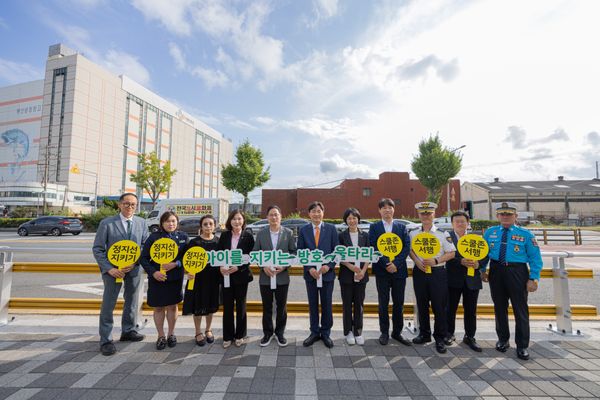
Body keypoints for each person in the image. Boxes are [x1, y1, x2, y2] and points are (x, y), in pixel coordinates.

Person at [481, 202, 542, 360]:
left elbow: (535, 258)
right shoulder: (490, 232)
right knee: (499, 307)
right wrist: (482, 270)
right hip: (496, 271)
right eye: (502, 214)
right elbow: (484, 254)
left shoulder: (526, 234)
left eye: (509, 214)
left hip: (517, 272)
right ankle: (503, 340)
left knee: (520, 309)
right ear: (497, 216)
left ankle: (522, 346)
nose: (505, 217)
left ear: (516, 216)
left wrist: (533, 278)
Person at [92, 193, 149, 356]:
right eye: (126, 203)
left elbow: (145, 245)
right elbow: (98, 248)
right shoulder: (107, 223)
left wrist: (135, 261)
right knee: (108, 304)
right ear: (119, 205)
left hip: (134, 269)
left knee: (132, 301)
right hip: (113, 271)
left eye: (133, 204)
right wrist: (109, 268)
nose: (130, 207)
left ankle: (128, 331)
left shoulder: (141, 223)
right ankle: (106, 340)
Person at [409, 202, 456, 354]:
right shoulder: (413, 232)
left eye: (428, 213)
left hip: (437, 272)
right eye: (423, 213)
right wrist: (417, 262)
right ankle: (424, 334)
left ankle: (440, 338)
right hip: (420, 271)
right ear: (419, 215)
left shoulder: (443, 233)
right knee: (422, 305)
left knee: (439, 306)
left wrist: (436, 260)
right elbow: (410, 251)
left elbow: (451, 253)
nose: (426, 216)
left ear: (434, 214)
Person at [140, 211, 188, 350]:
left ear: (177, 223)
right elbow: (143, 258)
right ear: (162, 223)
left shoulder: (183, 237)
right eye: (167, 221)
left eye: (173, 221)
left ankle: (171, 334)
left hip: (175, 278)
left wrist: (176, 264)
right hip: (157, 279)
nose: (170, 224)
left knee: (173, 306)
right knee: (159, 307)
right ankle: (160, 336)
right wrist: (153, 272)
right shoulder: (153, 238)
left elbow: (187, 257)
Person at [368, 198, 412, 346]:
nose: (387, 210)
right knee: (383, 302)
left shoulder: (401, 227)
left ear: (394, 210)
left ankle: (397, 332)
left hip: (399, 271)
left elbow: (406, 247)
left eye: (390, 207)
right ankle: (384, 332)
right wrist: (387, 263)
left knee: (399, 302)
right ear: (379, 210)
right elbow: (374, 246)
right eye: (384, 208)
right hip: (382, 270)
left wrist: (396, 264)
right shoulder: (374, 227)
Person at [253, 205, 297, 347]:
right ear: (267, 217)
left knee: (281, 306)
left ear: (281, 216)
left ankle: (280, 333)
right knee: (266, 306)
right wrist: (263, 266)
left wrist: (284, 266)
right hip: (265, 277)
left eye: (276, 215)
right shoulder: (261, 233)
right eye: (271, 215)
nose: (274, 217)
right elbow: (255, 253)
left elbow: (293, 253)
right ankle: (267, 333)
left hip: (282, 276)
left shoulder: (288, 233)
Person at [297, 201, 339, 348]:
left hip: (327, 274)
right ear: (309, 214)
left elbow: (337, 251)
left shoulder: (332, 229)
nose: (316, 214)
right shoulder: (304, 230)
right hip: (311, 275)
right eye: (313, 211)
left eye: (318, 211)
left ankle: (326, 333)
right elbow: (300, 251)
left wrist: (329, 265)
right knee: (313, 304)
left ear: (323, 213)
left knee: (327, 303)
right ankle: (314, 332)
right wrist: (309, 268)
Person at [445, 211, 487, 352]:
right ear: (452, 224)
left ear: (468, 223)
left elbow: (485, 256)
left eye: (462, 221)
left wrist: (479, 265)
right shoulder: (447, 238)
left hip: (472, 279)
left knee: (471, 310)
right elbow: (444, 256)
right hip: (452, 278)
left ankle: (470, 336)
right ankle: (449, 334)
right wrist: (460, 261)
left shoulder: (476, 239)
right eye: (456, 221)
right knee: (450, 308)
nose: (460, 224)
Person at [218, 209, 255, 348]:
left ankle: (240, 335)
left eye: (239, 219)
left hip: (241, 276)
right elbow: (219, 253)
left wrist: (238, 267)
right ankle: (227, 336)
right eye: (234, 219)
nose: (237, 221)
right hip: (226, 275)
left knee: (241, 306)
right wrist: (221, 267)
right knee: (227, 306)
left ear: (243, 221)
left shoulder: (248, 237)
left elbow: (251, 257)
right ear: (230, 221)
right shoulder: (224, 236)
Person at [182, 215, 220, 346]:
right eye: (205, 224)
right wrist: (188, 272)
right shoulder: (194, 243)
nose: (208, 226)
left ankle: (208, 329)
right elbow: (185, 260)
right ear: (201, 226)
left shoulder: (218, 242)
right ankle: (198, 332)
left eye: (210, 224)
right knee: (197, 306)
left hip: (213, 279)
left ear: (215, 226)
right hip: (197, 279)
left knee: (210, 306)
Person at [338, 207, 370, 346]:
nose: (352, 220)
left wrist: (362, 270)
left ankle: (358, 331)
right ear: (346, 220)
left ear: (358, 219)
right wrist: (351, 267)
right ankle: (348, 332)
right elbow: (338, 255)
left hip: (362, 274)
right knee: (347, 304)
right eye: (349, 218)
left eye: (354, 218)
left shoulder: (365, 235)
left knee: (359, 304)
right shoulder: (341, 236)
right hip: (346, 274)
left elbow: (369, 255)